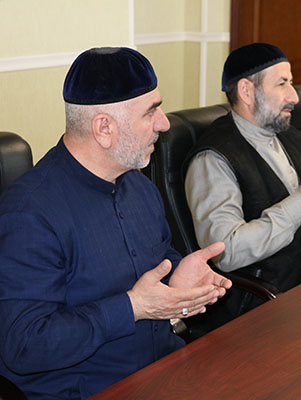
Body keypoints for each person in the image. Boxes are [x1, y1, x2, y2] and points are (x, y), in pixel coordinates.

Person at [0, 47, 232, 400]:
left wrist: (177, 274)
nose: (164, 123)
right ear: (104, 128)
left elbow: (156, 258)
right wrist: (133, 307)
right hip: (88, 390)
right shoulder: (29, 214)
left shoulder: (138, 184)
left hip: (164, 370)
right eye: (150, 112)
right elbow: (24, 345)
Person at [184, 43, 301, 316]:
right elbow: (225, 251)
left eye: (291, 83)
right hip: (288, 297)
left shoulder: (288, 135)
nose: (294, 96)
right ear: (246, 91)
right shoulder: (213, 159)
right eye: (282, 84)